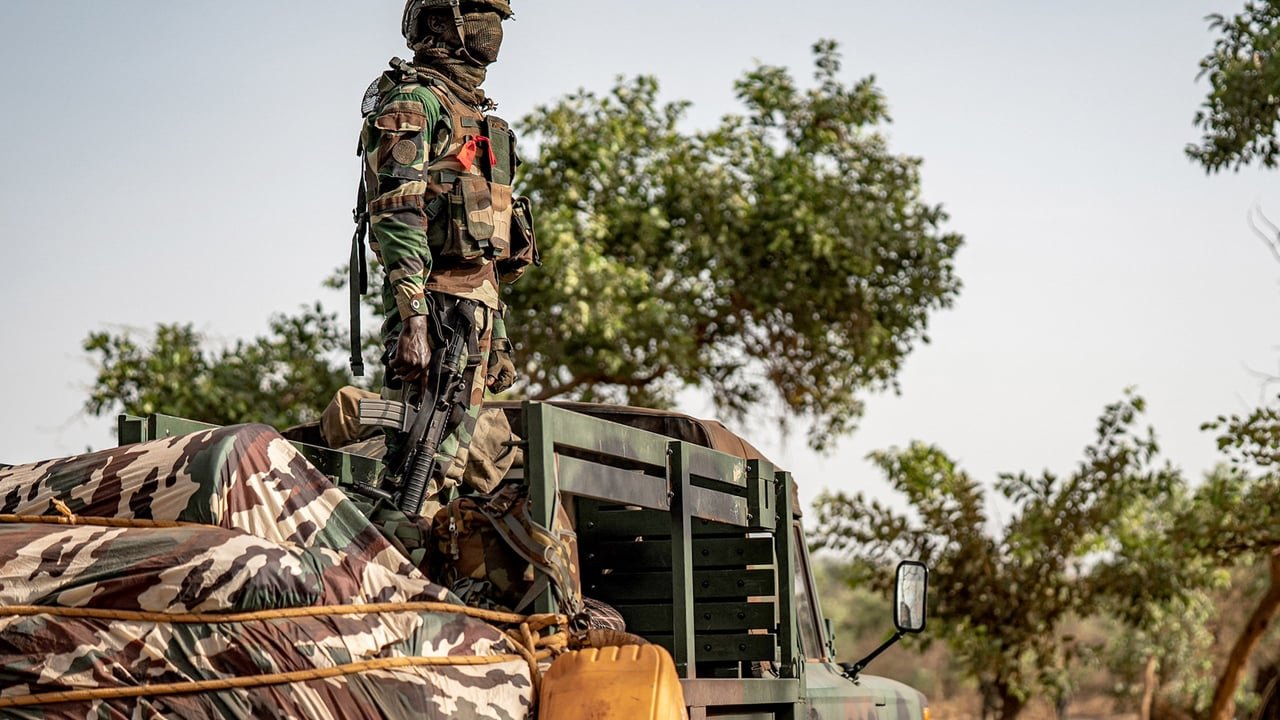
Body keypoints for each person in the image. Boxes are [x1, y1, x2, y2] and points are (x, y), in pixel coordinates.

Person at [354, 0, 534, 515]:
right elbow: (398, 213)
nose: (494, 28)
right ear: (440, 21)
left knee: (455, 469)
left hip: (474, 313)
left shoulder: (477, 117)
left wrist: (497, 338)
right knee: (417, 463)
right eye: (481, 13)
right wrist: (412, 317)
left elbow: (490, 249)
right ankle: (394, 569)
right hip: (433, 310)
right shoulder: (415, 103)